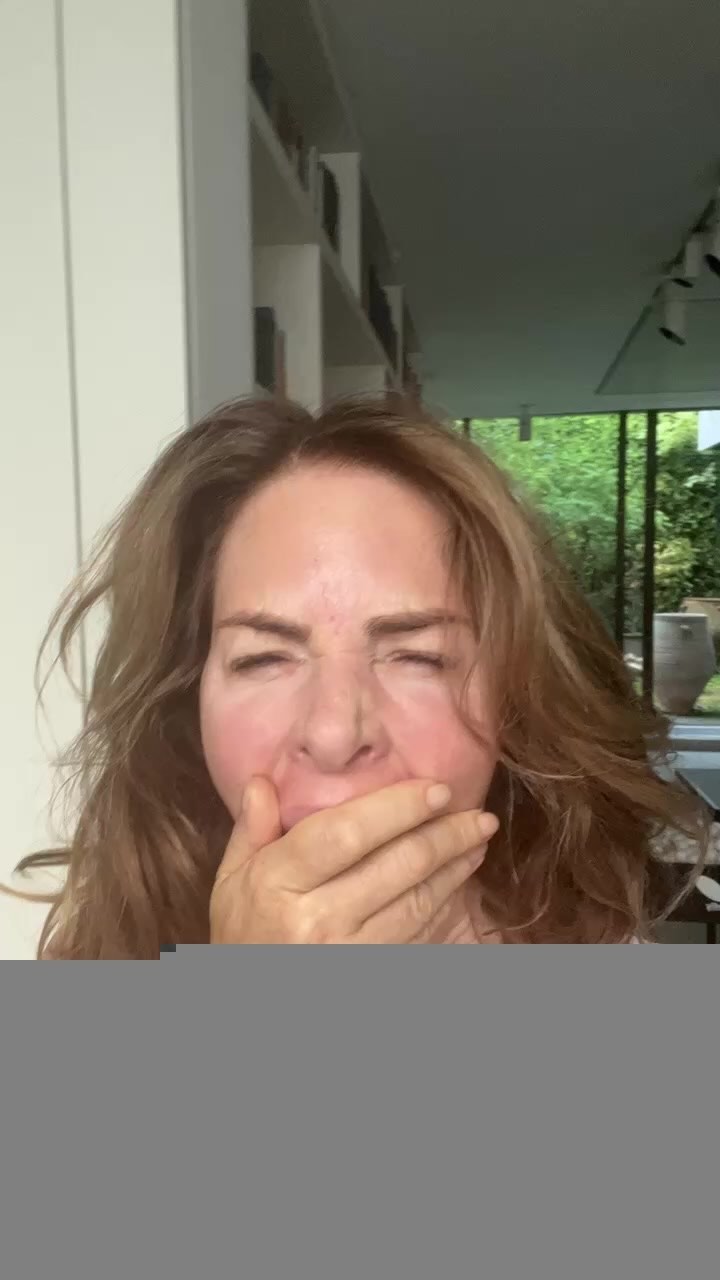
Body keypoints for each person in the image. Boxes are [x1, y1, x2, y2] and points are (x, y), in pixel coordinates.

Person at [4, 396, 707, 953]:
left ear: (515, 698)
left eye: (419, 656)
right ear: (188, 701)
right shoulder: (94, 947)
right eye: (263, 658)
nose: (336, 734)